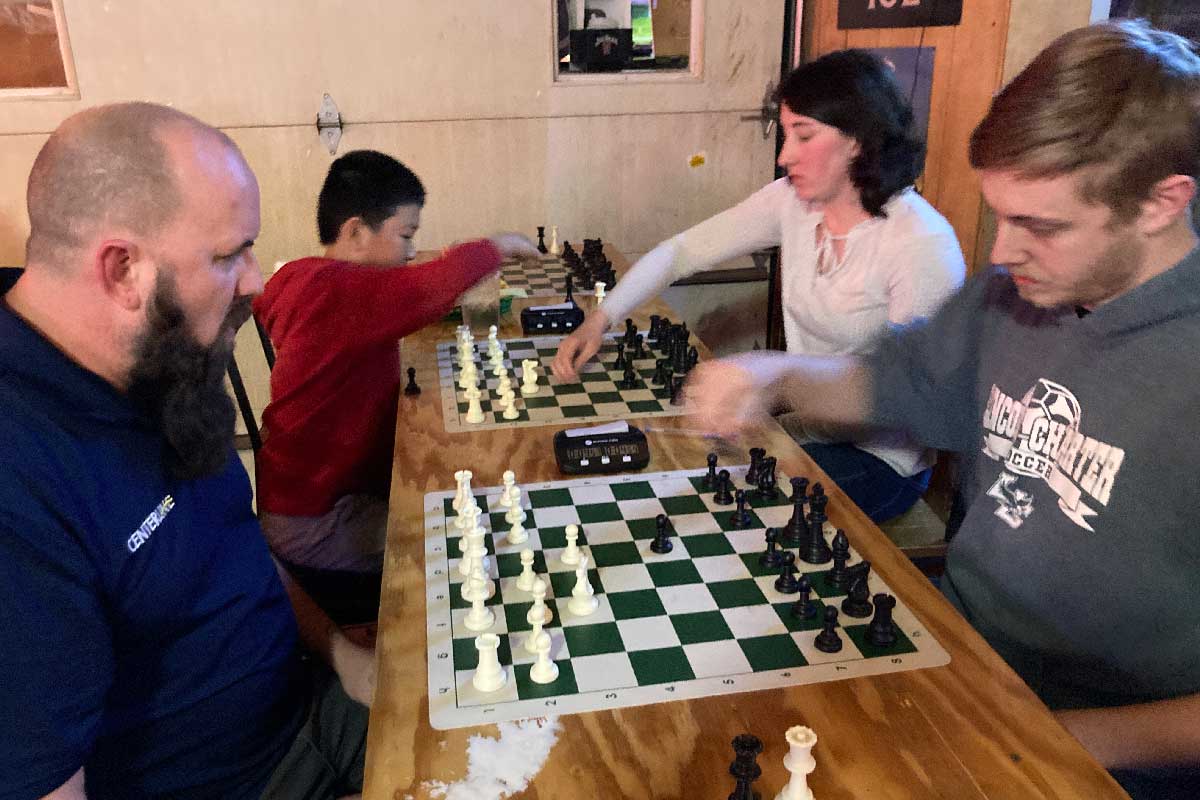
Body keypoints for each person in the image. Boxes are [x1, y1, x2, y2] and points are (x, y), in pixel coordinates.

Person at [684, 21, 1200, 799]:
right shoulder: (1013, 296)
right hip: (958, 651)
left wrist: (1058, 737)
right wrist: (778, 370)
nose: (1001, 253)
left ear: (1163, 202)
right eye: (1003, 215)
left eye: (1041, 225)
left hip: (1106, 743)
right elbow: (894, 384)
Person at [0, 102, 373, 799]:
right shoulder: (21, 477)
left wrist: (345, 657)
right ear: (123, 270)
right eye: (231, 254)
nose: (258, 282)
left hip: (310, 707)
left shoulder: (156, 364)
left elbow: (233, 545)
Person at [551, 49, 965, 523]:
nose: (785, 154)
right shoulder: (793, 202)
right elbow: (682, 251)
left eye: (803, 135)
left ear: (857, 140)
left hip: (883, 462)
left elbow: (916, 400)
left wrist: (775, 379)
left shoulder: (921, 241)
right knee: (668, 470)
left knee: (711, 513)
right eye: (785, 133)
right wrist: (601, 319)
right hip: (809, 429)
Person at [253, 150, 537, 574]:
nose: (412, 249)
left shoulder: (313, 279)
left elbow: (416, 286)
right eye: (405, 235)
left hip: (326, 496)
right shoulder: (336, 294)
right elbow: (426, 288)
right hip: (319, 521)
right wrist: (497, 246)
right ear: (356, 232)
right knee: (478, 539)